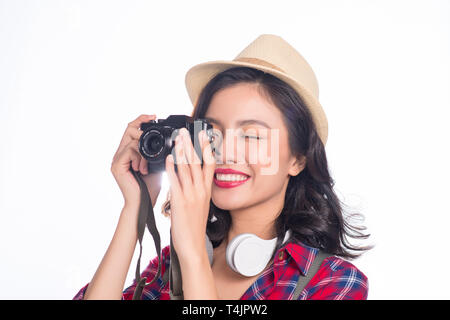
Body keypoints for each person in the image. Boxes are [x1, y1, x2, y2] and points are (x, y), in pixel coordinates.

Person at [73, 34, 371, 300]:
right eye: (212, 132)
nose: (225, 152)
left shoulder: (331, 282)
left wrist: (192, 254)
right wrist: (135, 208)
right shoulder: (168, 268)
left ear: (298, 159)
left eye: (252, 135)